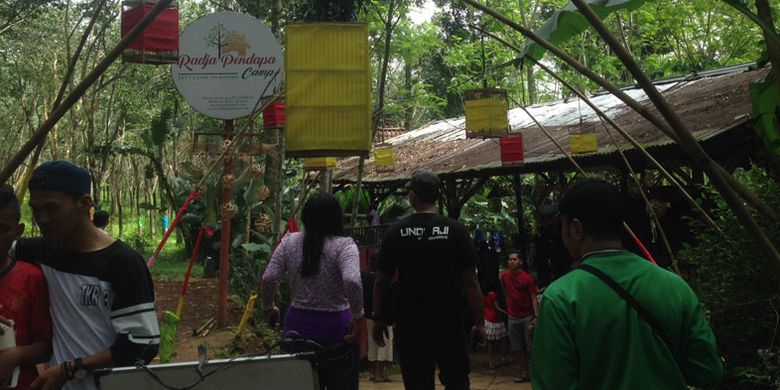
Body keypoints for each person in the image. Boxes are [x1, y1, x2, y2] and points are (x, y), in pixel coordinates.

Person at [532, 178, 723, 389]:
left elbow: (552, 384)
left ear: (576, 229)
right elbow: (708, 373)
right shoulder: (675, 287)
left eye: (562, 224)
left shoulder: (561, 298)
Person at [14, 160, 159, 390]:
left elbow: (142, 344)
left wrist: (68, 370)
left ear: (84, 203)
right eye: (35, 210)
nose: (42, 219)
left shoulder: (122, 264)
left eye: (52, 208)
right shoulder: (43, 252)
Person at [372, 170, 485, 390]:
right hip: (449, 321)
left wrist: (377, 318)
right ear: (437, 196)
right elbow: (470, 282)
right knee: (457, 381)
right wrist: (479, 322)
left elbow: (381, 281)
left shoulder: (397, 231)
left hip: (411, 323)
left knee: (417, 382)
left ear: (412, 197)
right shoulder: (456, 231)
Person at [261, 192, 363, 390]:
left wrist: (268, 307)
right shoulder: (345, 246)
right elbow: (352, 280)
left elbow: (269, 277)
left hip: (297, 329)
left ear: (306, 217)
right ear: (336, 218)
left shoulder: (289, 242)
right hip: (337, 331)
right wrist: (358, 316)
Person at [0, 184, 52, 390]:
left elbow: (46, 346)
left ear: (18, 231)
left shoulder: (31, 278)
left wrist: (15, 355)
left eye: (2, 229)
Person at [500, 249, 538, 382]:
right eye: (510, 259)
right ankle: (523, 373)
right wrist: (508, 309)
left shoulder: (527, 278)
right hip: (512, 316)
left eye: (514, 259)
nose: (511, 261)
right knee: (517, 347)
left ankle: (535, 373)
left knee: (531, 347)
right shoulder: (504, 276)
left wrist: (536, 315)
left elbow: (533, 297)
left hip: (527, 316)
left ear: (520, 262)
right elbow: (506, 294)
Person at [362, 255, 393, 383]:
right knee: (384, 343)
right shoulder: (382, 276)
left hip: (368, 313)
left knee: (372, 342)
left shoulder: (364, 274)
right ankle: (380, 374)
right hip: (382, 315)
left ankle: (373, 373)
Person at [483, 279, 507, 371]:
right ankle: (503, 357)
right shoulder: (493, 295)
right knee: (504, 338)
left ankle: (491, 360)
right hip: (495, 319)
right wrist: (506, 312)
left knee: (490, 342)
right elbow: (497, 307)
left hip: (487, 318)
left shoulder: (483, 295)